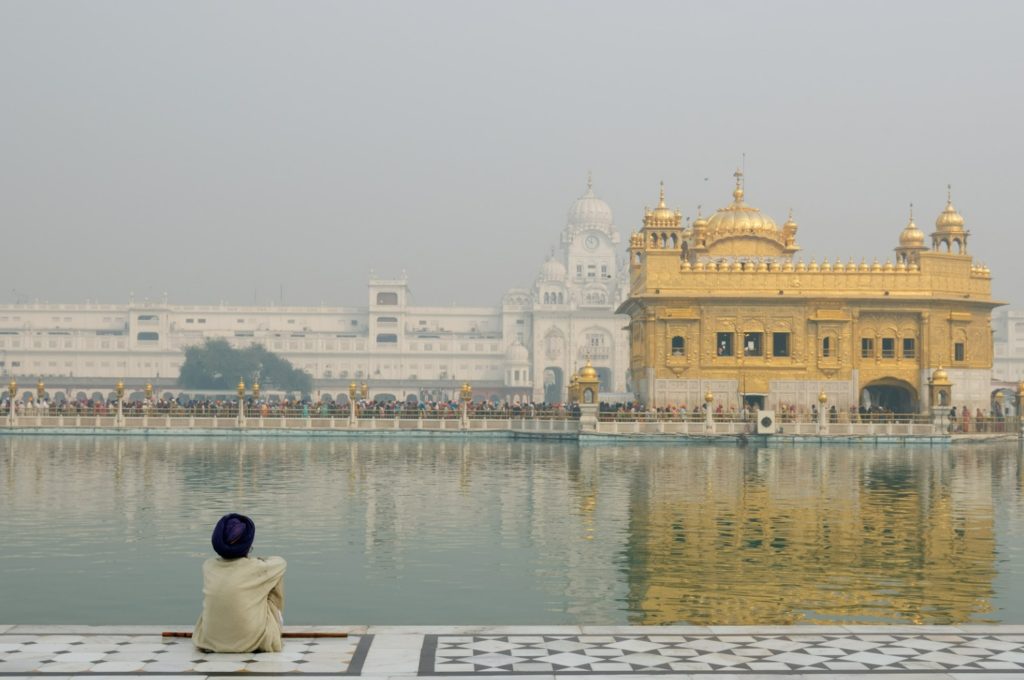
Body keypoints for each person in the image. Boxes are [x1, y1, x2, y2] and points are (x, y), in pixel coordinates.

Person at [193, 513, 286, 653]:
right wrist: (259, 561)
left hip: (209, 640)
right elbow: (281, 563)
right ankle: (271, 628)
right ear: (247, 546)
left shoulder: (208, 566)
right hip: (252, 640)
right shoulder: (257, 568)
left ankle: (222, 632)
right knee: (274, 578)